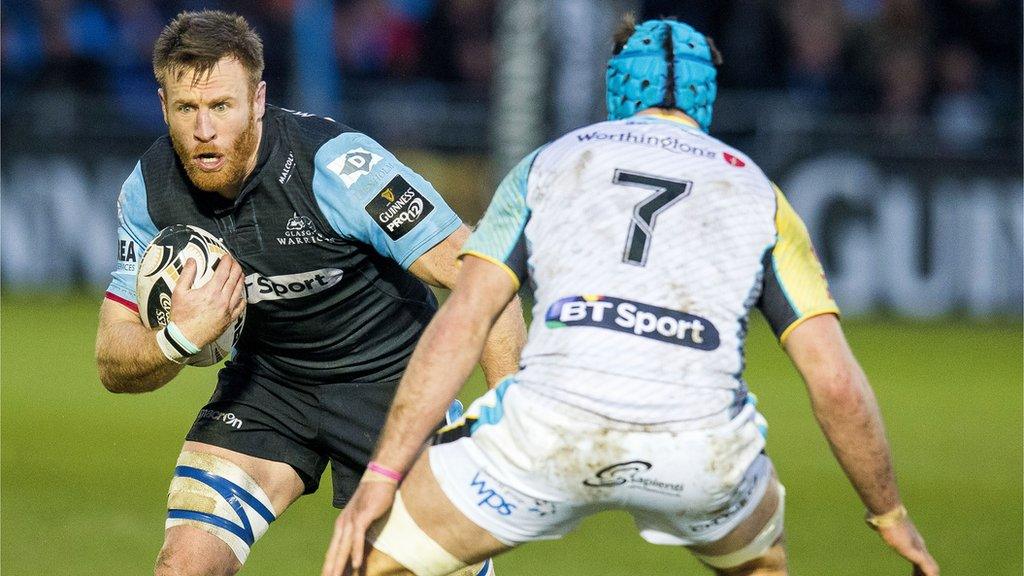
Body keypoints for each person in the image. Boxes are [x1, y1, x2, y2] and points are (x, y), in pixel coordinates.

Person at [322, 16, 940, 576]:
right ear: (706, 95)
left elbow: (462, 324)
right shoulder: (759, 194)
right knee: (762, 565)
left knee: (367, 562)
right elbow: (834, 382)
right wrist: (889, 513)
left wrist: (381, 475)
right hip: (700, 453)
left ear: (618, 88)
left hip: (549, 436)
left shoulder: (551, 163)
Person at [94, 10, 523, 576]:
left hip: (391, 386)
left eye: (221, 106)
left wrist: (508, 419)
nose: (204, 131)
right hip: (270, 388)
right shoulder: (148, 192)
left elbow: (486, 277)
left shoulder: (340, 167)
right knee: (184, 566)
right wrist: (174, 340)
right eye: (186, 108)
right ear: (162, 106)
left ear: (259, 98)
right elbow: (111, 357)